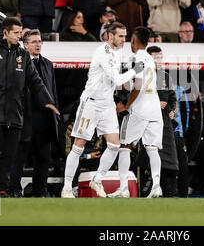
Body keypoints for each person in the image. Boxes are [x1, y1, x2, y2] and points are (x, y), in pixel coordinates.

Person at [0, 17, 59, 198]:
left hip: (15, 114)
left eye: (20, 32)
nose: (19, 36)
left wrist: (48, 100)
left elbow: (35, 81)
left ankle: (1, 189)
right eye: (16, 32)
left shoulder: (22, 55)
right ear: (5, 32)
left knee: (8, 156)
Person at [61, 22, 145, 198]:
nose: (124, 39)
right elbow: (116, 78)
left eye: (125, 36)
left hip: (107, 104)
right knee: (78, 146)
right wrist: (136, 70)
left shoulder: (119, 51)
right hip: (91, 104)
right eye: (120, 36)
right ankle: (67, 188)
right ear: (110, 36)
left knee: (114, 144)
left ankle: (97, 180)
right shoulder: (102, 52)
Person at [108, 27, 164, 198]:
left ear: (133, 40)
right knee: (152, 148)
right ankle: (156, 185)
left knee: (124, 146)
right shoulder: (150, 59)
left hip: (139, 108)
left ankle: (123, 189)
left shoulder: (135, 58)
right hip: (154, 107)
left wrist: (126, 105)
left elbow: (138, 85)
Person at [8, 29, 60, 197]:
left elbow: (52, 92)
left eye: (40, 42)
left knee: (43, 158)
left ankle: (40, 191)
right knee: (19, 158)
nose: (38, 45)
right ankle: (14, 190)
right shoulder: (17, 63)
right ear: (25, 45)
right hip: (24, 118)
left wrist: (55, 117)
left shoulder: (48, 64)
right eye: (34, 42)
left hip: (44, 121)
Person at [147, 45, 179, 197]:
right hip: (147, 122)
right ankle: (149, 188)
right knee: (151, 156)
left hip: (165, 123)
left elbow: (173, 97)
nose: (159, 60)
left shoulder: (165, 76)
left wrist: (172, 110)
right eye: (156, 57)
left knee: (170, 159)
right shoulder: (142, 75)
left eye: (161, 57)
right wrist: (155, 104)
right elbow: (135, 99)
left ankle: (170, 191)